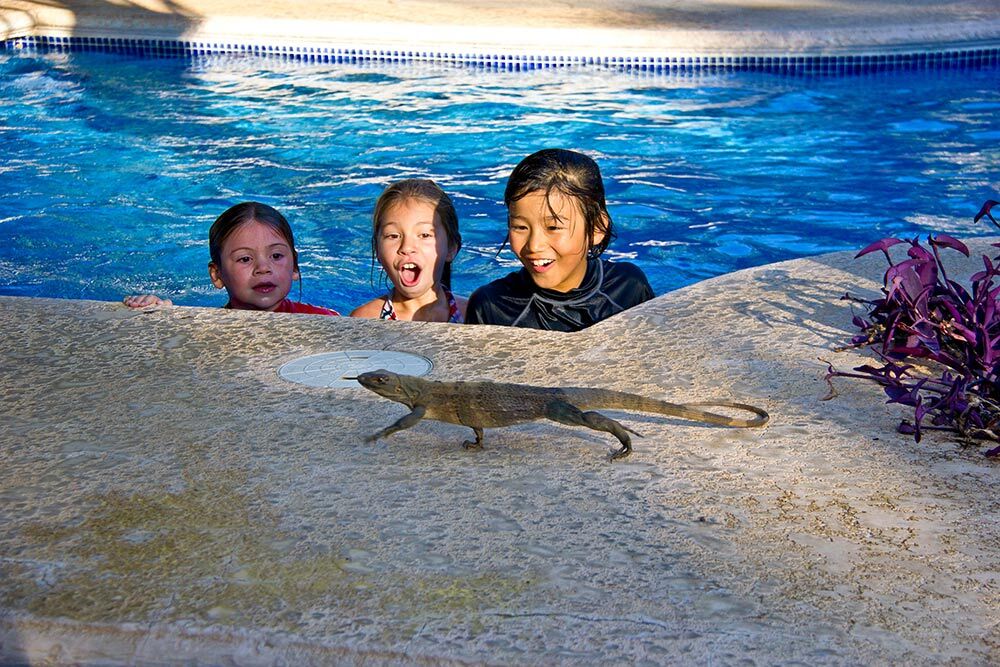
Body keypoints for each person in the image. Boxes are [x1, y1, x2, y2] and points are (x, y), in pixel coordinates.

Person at [465, 148, 653, 331]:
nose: (534, 245)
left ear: (596, 228)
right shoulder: (493, 307)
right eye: (520, 227)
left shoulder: (628, 287)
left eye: (553, 227)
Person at [123, 202, 339, 315]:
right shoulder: (202, 326)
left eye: (276, 256)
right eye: (245, 259)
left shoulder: (325, 321)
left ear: (295, 267)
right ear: (217, 275)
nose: (263, 268)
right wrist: (159, 314)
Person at [351, 179, 466, 322]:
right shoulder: (364, 320)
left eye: (424, 235)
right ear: (377, 250)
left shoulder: (472, 315)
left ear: (451, 248)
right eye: (393, 236)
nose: (406, 247)